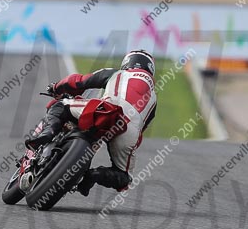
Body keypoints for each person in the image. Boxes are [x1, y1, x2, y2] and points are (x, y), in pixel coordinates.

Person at [24, 49, 157, 195]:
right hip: (128, 131)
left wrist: (56, 87)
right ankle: (94, 176)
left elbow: (80, 81)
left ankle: (47, 133)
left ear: (127, 63)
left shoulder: (117, 73)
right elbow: (142, 129)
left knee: (61, 106)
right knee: (124, 177)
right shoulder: (153, 98)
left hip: (105, 111)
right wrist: (130, 145)